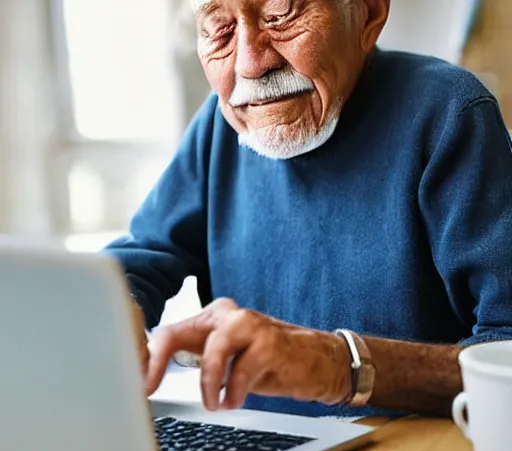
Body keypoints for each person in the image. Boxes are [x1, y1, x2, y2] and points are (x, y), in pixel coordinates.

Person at [104, 0, 512, 419]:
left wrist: (343, 366)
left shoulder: (449, 113)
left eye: (281, 14)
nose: (249, 65)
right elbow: (140, 259)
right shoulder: (218, 126)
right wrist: (116, 312)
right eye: (219, 26)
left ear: (369, 14)